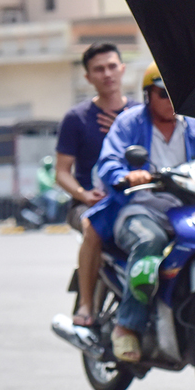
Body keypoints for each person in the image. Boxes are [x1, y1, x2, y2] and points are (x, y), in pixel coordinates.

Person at [87, 63, 195, 363]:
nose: (171, 100)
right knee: (149, 242)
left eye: (176, 93)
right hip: (137, 210)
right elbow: (109, 160)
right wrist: (126, 175)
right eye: (162, 93)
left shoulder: (193, 126)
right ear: (147, 95)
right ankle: (126, 325)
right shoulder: (129, 122)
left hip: (185, 214)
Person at [54, 42, 137, 326]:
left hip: (134, 199)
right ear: (88, 77)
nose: (107, 73)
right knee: (93, 227)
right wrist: (84, 195)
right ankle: (86, 306)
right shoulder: (76, 119)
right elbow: (61, 172)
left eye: (112, 66)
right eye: (99, 69)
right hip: (88, 204)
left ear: (122, 69)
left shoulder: (140, 114)